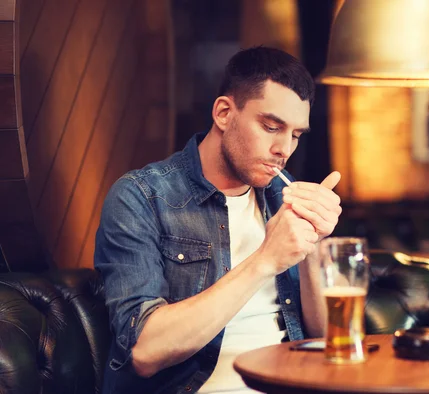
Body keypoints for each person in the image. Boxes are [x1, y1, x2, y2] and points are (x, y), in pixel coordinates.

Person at [94, 46, 343, 394]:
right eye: (271, 126)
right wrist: (265, 260)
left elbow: (326, 339)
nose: (284, 148)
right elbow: (144, 351)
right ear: (225, 113)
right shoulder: (141, 197)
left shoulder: (281, 199)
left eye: (296, 135)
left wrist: (312, 245)